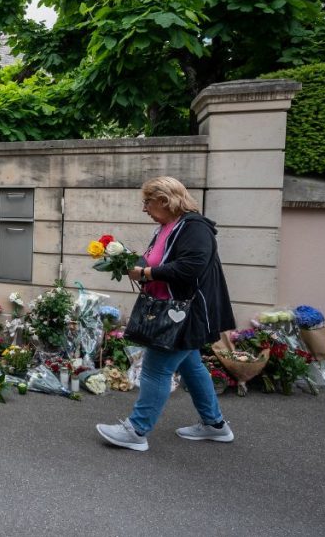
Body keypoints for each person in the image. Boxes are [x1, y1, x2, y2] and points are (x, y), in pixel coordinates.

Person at [96, 176, 236, 451]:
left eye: (147, 202)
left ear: (165, 200)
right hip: (176, 310)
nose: (144, 208)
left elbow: (190, 267)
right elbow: (160, 263)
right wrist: (125, 259)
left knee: (155, 369)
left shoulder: (194, 227)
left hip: (185, 313)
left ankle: (136, 431)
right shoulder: (168, 227)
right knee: (191, 366)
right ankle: (215, 425)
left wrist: (146, 272)